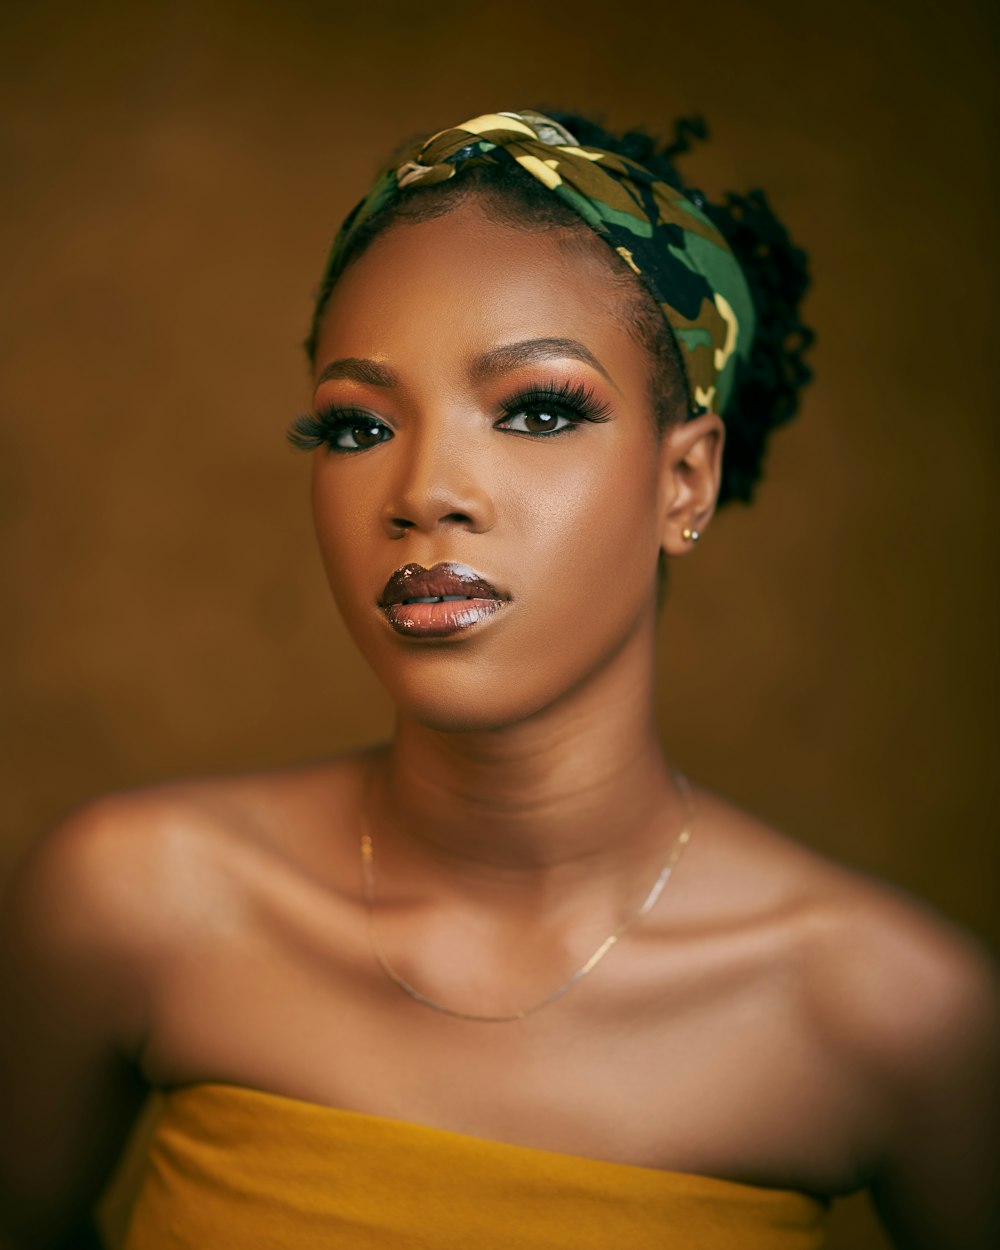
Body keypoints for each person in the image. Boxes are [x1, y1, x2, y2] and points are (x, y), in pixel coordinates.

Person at [1, 109, 997, 1250]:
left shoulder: (890, 1015)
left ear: (686, 481)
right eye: (356, 424)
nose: (425, 489)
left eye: (536, 409)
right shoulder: (132, 908)